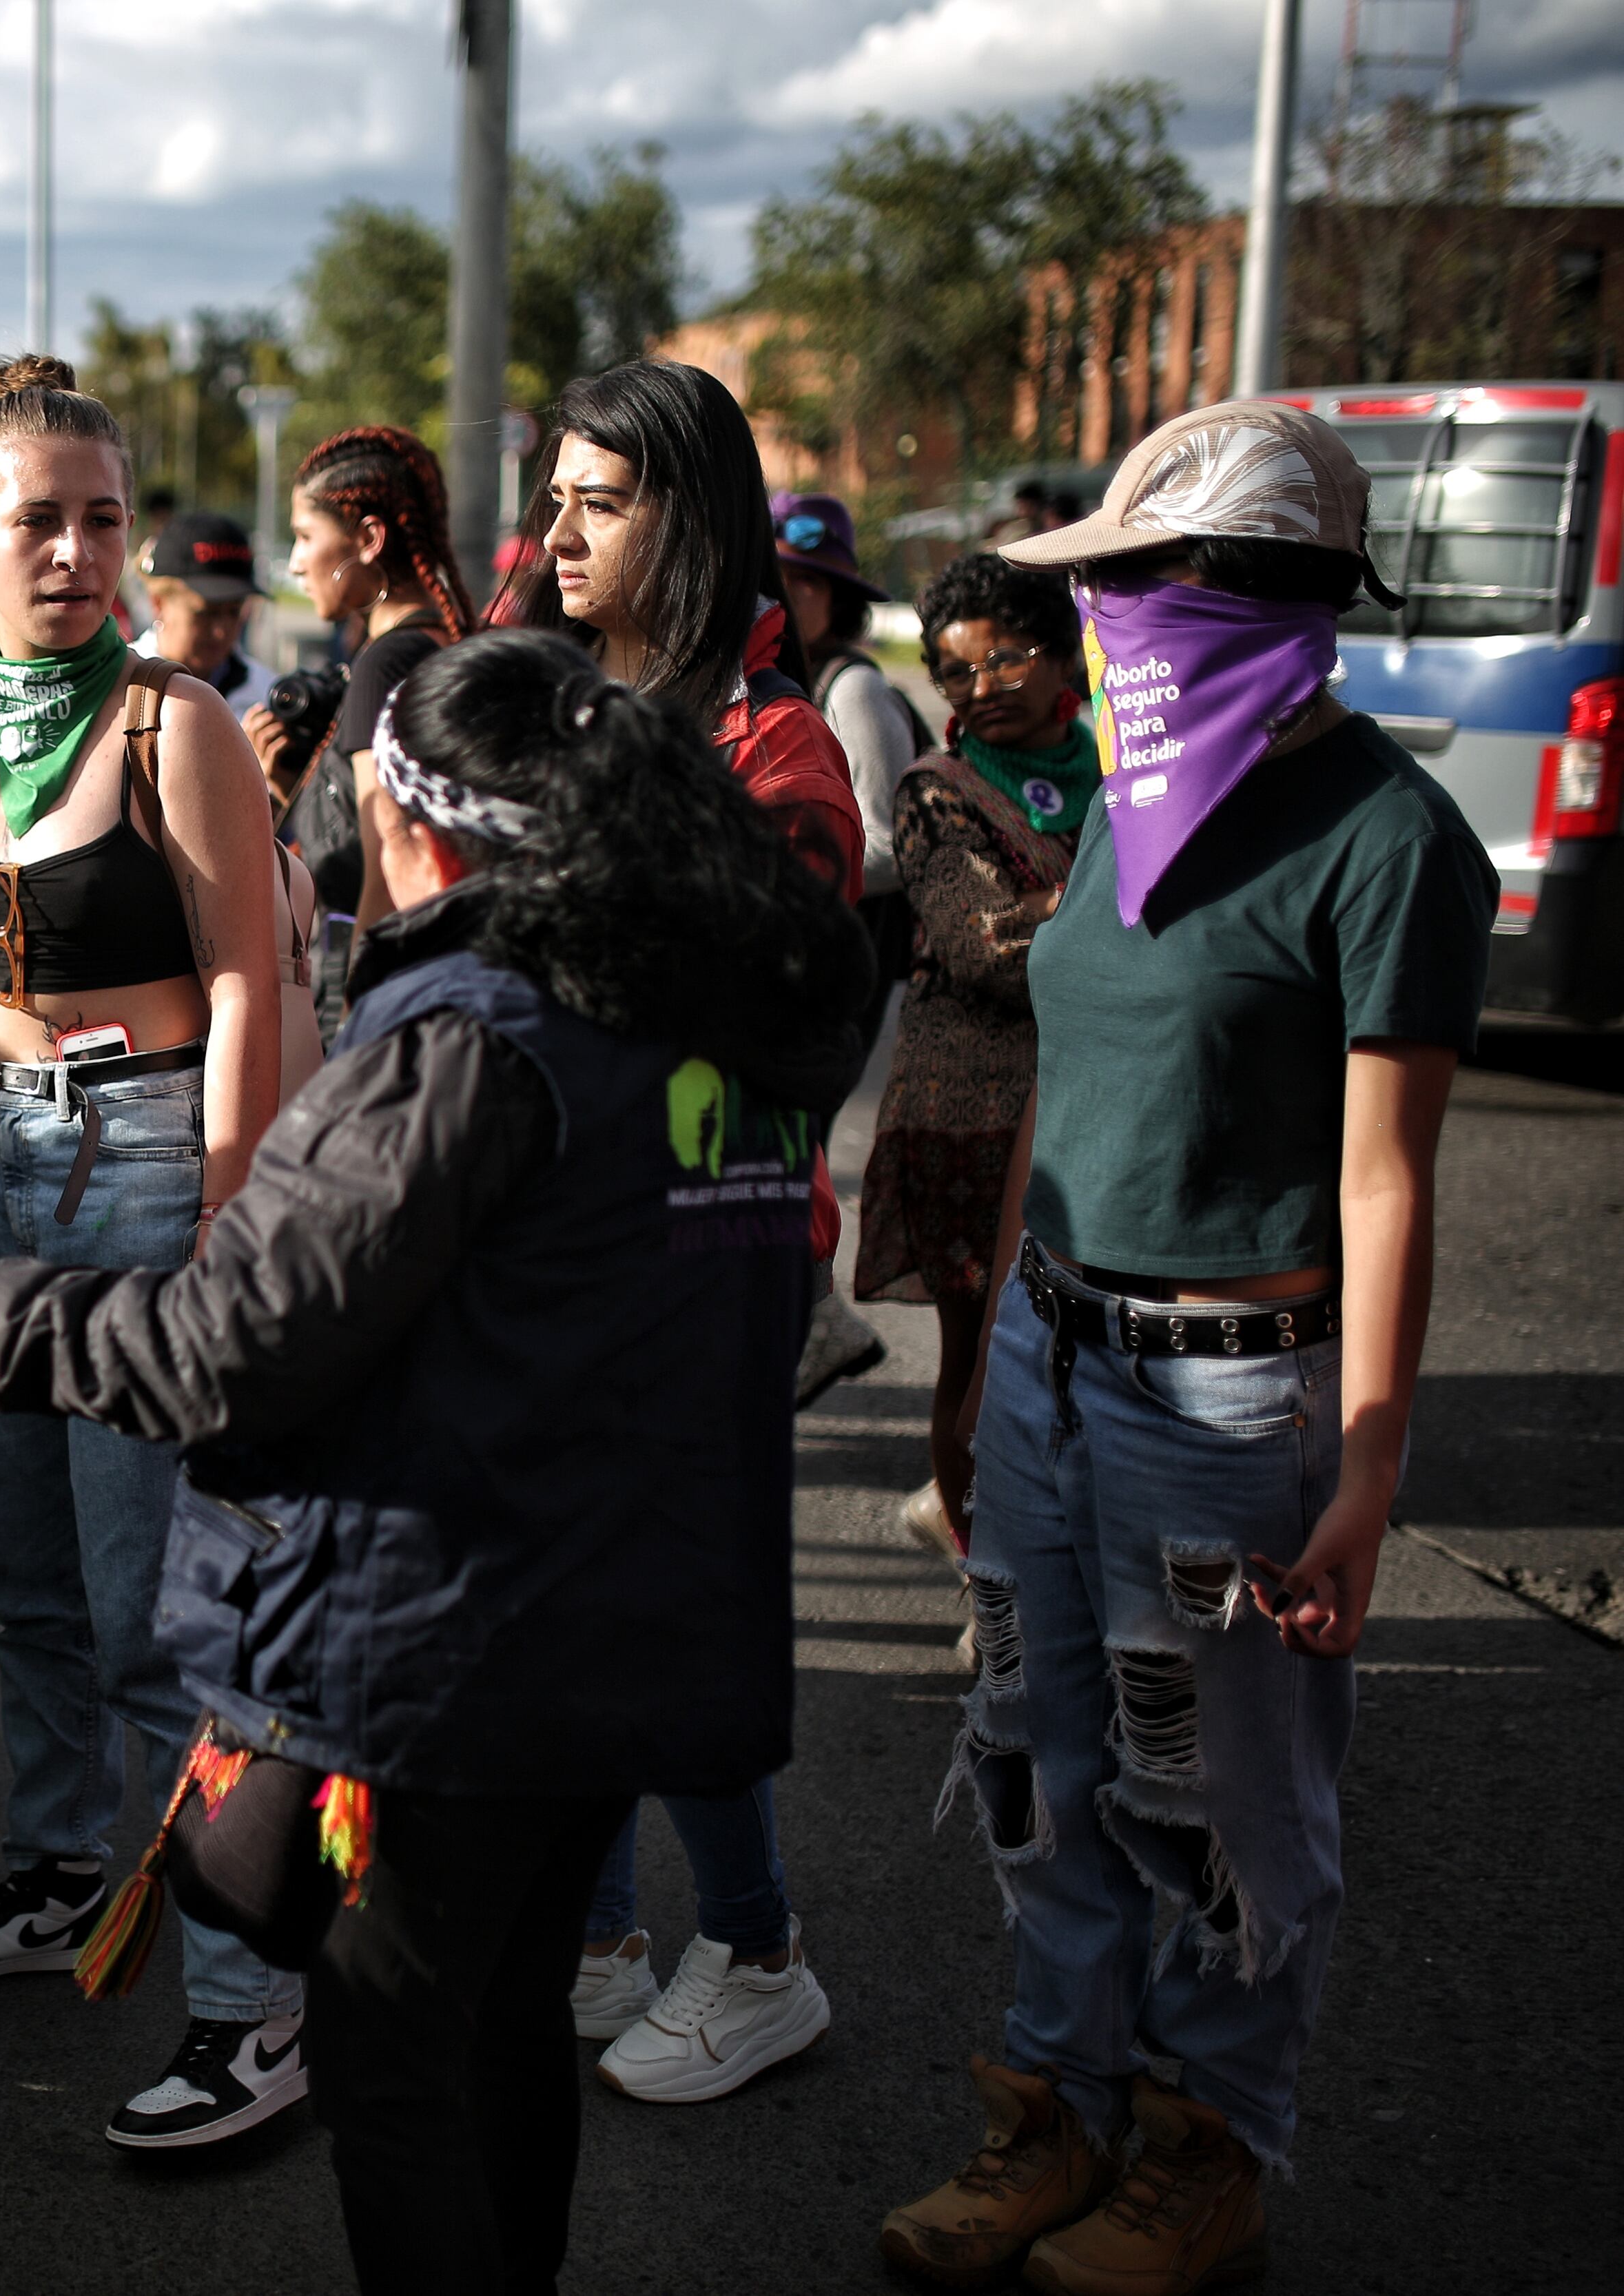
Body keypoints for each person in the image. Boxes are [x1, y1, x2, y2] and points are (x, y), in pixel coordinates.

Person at [0, 629, 873, 2288]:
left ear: (406, 820)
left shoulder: (468, 1038)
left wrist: (6, 1318)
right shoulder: (707, 1015)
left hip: (463, 1655)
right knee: (499, 2037)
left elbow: (235, 1339)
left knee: (402, 2058)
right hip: (634, 1626)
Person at [882, 401, 1494, 2295]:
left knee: (1208, 1797)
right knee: (1040, 1763)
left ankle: (1200, 2147)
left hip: (1226, 1399)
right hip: (1058, 1365)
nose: (1103, 625)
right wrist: (986, 1364)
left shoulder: (1392, 845)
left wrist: (1371, 1471)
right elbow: (1064, 1082)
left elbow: (1387, 1185)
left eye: (1134, 584)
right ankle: (1053, 2110)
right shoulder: (1139, 802)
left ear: (1236, 601)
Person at [0, 355, 292, 2152]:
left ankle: (255, 2005)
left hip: (146, 1158)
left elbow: (256, 976)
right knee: (19, 1569)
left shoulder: (177, 724)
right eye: (42, 519)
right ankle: (52, 1875)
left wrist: (234, 1221)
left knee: (158, 1610)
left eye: (106, 518)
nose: (82, 550)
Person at [511, 358, 865, 2101]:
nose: (557, 534)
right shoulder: (563, 702)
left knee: (659, 1605)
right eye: (552, 496)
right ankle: (594, 1939)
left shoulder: (774, 743)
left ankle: (760, 1949)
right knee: (566, 1604)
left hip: (705, 1243)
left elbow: (739, 1006)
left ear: (693, 517)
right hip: (564, 1238)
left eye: (600, 500)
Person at [856, 555, 1089, 1553]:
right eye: (954, 673)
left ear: (1064, 656)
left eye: (1003, 661)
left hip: (1091, 1116)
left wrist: (1047, 906)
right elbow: (980, 949)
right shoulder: (934, 791)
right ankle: (986, 1581)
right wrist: (1104, 905)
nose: (978, 689)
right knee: (980, 1364)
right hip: (966, 1117)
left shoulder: (1130, 773)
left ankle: (1054, 1566)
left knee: (1083, 1372)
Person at [252, 426, 473, 1036]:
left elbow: (390, 865)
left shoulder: (383, 665)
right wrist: (298, 784)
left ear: (369, 539)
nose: (295, 561)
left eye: (304, 536)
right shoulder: (438, 644)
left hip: (371, 997)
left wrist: (356, 1032)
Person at [771, 490, 923, 971]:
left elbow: (893, 847)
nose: (786, 591)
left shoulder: (852, 689)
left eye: (808, 580)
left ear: (841, 600)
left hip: (870, 965)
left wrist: (773, 874)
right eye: (774, 576)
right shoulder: (781, 679)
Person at [133, 508, 276, 717]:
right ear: (158, 603)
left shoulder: (269, 694)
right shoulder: (120, 688)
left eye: (235, 612)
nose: (221, 632)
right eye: (206, 613)